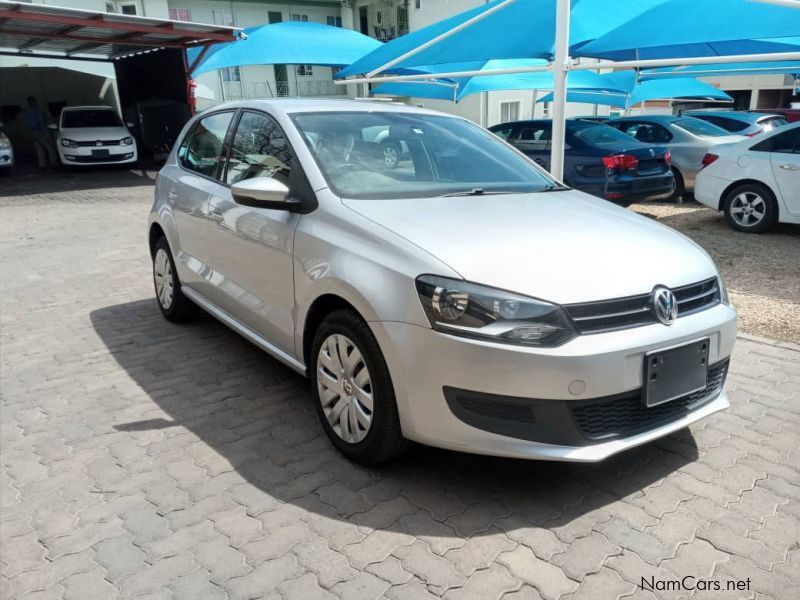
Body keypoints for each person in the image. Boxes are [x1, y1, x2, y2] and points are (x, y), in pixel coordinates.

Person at [22, 97, 57, 171]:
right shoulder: (31, 112)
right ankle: (53, 164)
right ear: (31, 102)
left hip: (40, 131)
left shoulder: (36, 110)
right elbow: (33, 124)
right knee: (50, 148)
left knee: (40, 149)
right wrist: (44, 121)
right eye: (33, 102)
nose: (35, 103)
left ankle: (42, 166)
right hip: (39, 132)